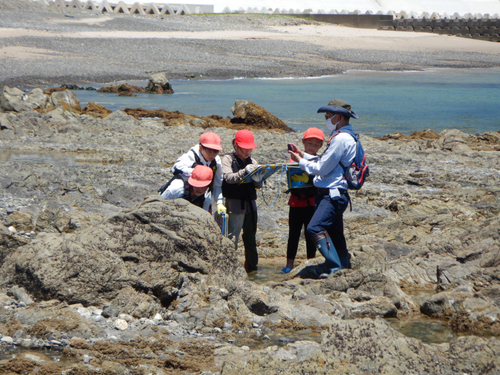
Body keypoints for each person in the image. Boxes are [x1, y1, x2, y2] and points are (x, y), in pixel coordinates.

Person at [288, 99, 358, 278]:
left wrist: (300, 161)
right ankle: (342, 264)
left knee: (315, 228)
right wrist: (303, 155)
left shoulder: (341, 139)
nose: (326, 119)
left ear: (339, 117)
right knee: (334, 231)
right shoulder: (344, 136)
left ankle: (334, 266)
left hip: (331, 194)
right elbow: (325, 162)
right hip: (335, 194)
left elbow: (321, 169)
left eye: (328, 116)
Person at [281, 127, 325, 274]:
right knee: (293, 233)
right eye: (309, 143)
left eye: (316, 145)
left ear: (320, 146)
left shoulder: (318, 161)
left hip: (312, 202)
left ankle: (311, 262)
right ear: (303, 143)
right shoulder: (294, 159)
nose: (312, 147)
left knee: (310, 233)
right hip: (296, 202)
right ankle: (289, 264)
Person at [222, 129, 260, 272]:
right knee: (233, 236)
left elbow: (258, 185)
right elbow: (228, 178)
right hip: (235, 204)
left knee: (250, 236)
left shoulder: (253, 161)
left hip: (251, 204)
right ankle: (229, 267)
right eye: (244, 149)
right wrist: (244, 172)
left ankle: (251, 266)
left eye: (249, 149)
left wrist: (259, 177)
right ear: (236, 146)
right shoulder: (228, 159)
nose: (247, 152)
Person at [171, 132, 226, 215]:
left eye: (215, 151)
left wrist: (219, 202)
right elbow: (175, 168)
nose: (212, 154)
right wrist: (197, 172)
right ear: (201, 148)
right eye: (209, 151)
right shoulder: (191, 156)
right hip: (186, 196)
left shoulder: (216, 161)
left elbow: (217, 184)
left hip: (205, 197)